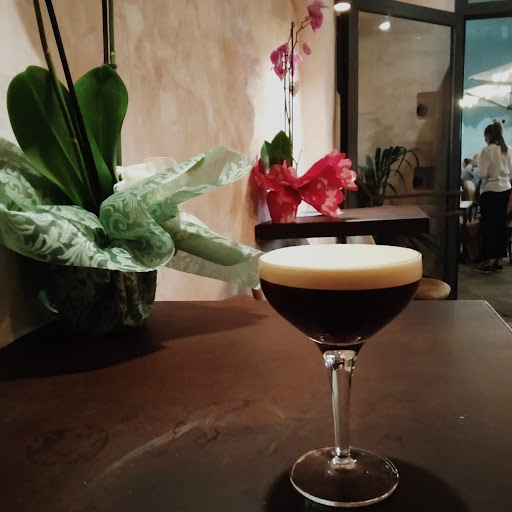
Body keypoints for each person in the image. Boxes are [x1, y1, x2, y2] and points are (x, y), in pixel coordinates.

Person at [474, 122, 512, 273]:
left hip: (490, 192)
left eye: (485, 136)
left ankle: (486, 262)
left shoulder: (487, 151)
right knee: (502, 226)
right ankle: (498, 260)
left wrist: (476, 169)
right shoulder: (508, 150)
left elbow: (483, 173)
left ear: (489, 135)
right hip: (505, 190)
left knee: (488, 227)